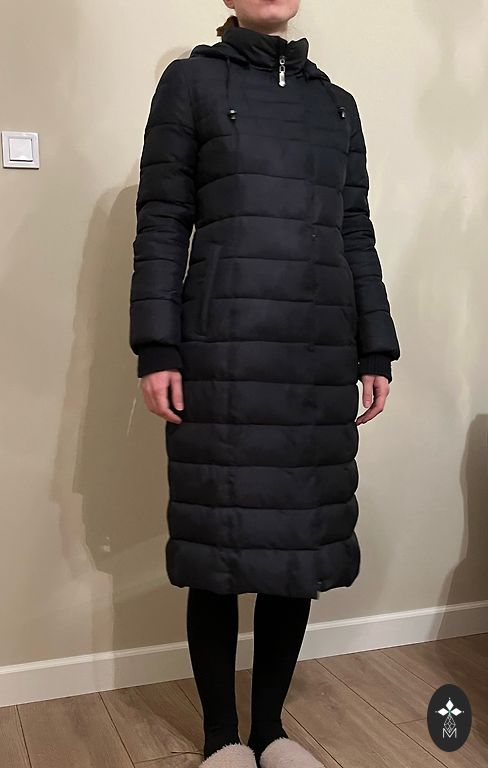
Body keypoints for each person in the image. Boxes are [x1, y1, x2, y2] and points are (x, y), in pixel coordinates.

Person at [129, 1, 400, 766]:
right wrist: (157, 347)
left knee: (294, 553)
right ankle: (222, 739)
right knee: (217, 551)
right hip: (221, 356)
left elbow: (355, 230)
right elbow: (162, 219)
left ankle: (270, 732)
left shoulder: (336, 105)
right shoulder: (190, 84)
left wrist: (375, 349)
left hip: (315, 356)